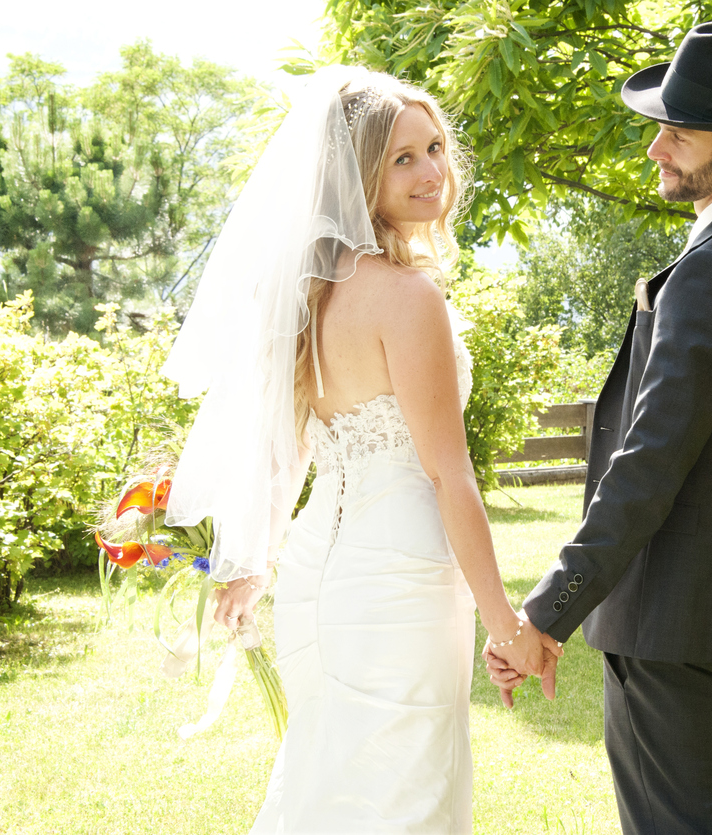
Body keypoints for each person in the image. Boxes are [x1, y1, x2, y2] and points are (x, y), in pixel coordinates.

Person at [161, 66, 555, 834]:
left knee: (327, 783)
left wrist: (255, 561)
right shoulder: (409, 299)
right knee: (404, 796)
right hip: (400, 577)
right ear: (356, 171)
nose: (432, 171)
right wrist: (506, 624)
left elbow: (288, 450)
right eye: (402, 157)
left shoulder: (305, 296)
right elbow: (448, 475)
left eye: (435, 148)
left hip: (316, 575)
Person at [486, 21, 712, 835]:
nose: (658, 148)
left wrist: (548, 612)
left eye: (680, 133)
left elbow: (648, 464)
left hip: (671, 620)